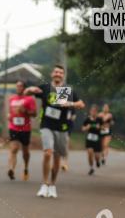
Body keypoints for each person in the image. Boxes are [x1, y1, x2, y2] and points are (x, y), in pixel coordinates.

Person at [24, 65, 85, 198]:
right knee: (47, 153)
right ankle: (44, 184)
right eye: (56, 72)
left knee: (57, 158)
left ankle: (52, 185)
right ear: (52, 74)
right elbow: (26, 93)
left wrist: (71, 104)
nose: (58, 74)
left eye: (60, 73)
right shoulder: (45, 88)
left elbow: (81, 104)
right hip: (46, 124)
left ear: (63, 76)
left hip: (61, 127)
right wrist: (30, 89)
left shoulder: (66, 90)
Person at [7, 80, 37, 181]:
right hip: (13, 127)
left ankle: (26, 168)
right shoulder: (12, 99)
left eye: (20, 86)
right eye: (17, 86)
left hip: (25, 129)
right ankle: (11, 169)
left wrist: (26, 111)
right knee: (14, 149)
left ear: (24, 88)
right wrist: (9, 116)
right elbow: (10, 112)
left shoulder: (30, 99)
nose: (18, 88)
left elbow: (34, 114)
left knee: (25, 152)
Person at [82, 105, 103, 175]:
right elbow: (83, 128)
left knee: (97, 156)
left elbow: (104, 128)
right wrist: (86, 128)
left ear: (97, 112)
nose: (93, 113)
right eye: (92, 111)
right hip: (89, 138)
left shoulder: (99, 119)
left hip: (97, 139)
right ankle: (91, 168)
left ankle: (97, 161)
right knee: (90, 153)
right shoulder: (87, 120)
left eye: (94, 111)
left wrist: (99, 127)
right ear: (90, 112)